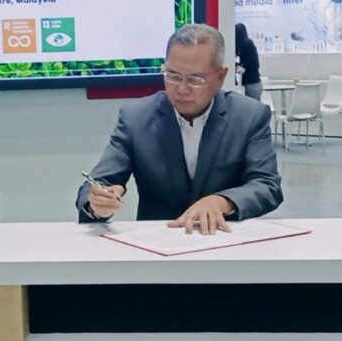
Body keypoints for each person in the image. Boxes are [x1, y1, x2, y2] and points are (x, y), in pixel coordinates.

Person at [77, 23, 282, 233]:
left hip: (224, 242)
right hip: (157, 246)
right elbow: (100, 182)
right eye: (172, 76)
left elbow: (267, 185)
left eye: (195, 79)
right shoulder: (135, 118)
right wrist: (97, 203)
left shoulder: (248, 116)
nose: (182, 89)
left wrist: (222, 201)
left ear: (220, 77)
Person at [234, 23, 262, 101]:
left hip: (252, 83)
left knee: (253, 109)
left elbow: (251, 64)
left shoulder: (246, 45)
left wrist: (240, 67)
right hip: (254, 83)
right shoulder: (247, 43)